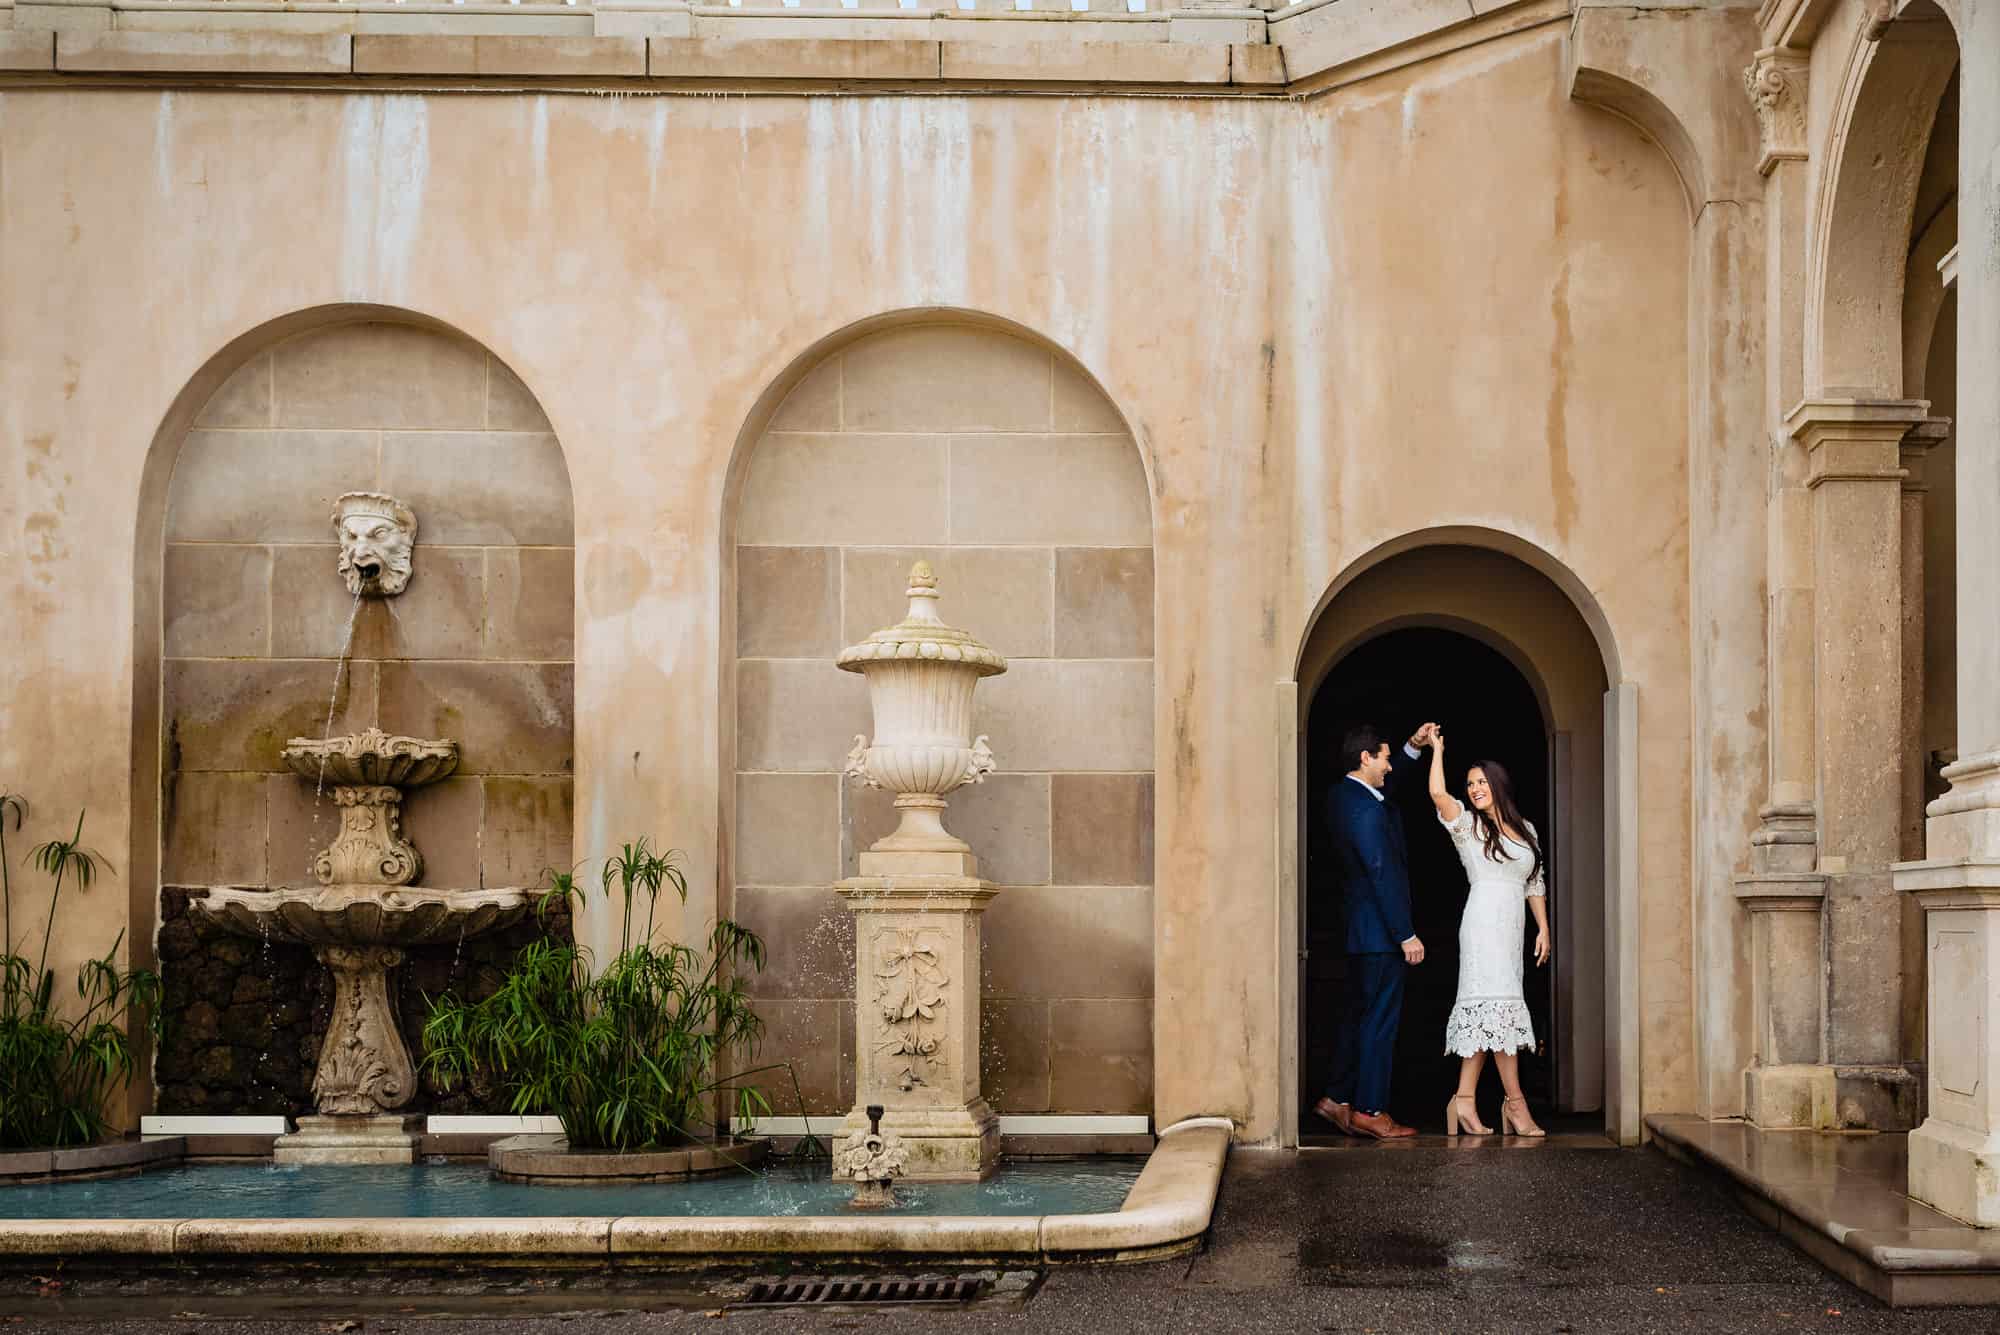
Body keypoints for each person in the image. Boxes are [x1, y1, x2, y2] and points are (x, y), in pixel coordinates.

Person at [1312, 721, 1435, 1140]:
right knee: (1379, 1022)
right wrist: (1405, 933)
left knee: (1358, 1017)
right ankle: (1370, 1109)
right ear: (1365, 758)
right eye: (1384, 758)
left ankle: (1337, 1098)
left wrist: (1411, 748)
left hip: (1359, 932)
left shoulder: (1344, 795)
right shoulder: (1366, 808)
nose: (1389, 767)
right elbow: (1380, 871)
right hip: (1381, 934)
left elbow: (1388, 789)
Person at [1425, 728, 1551, 1137]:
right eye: (1470, 784)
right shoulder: (1470, 829)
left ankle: (1463, 1099)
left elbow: (1535, 883)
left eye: (1481, 782)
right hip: (1481, 925)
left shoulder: (1527, 830)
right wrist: (1438, 751)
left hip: (1512, 928)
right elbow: (1439, 795)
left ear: (1497, 785)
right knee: (1497, 1009)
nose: (1474, 789)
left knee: (1491, 1013)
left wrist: (1543, 929)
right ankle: (1516, 1106)